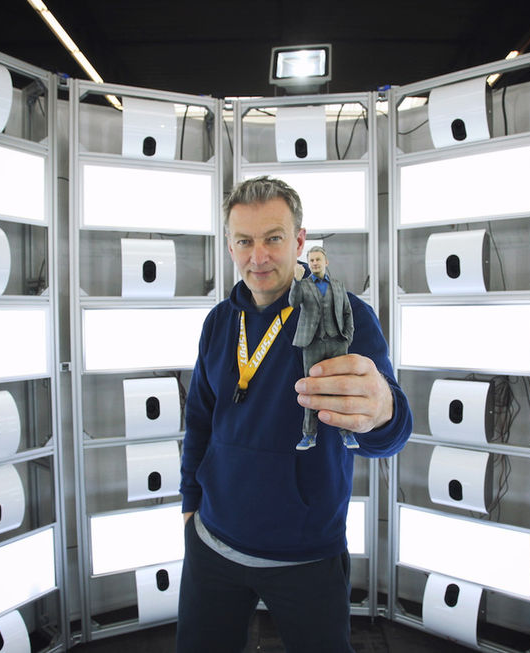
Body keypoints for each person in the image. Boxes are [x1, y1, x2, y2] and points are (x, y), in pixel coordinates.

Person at [177, 176, 412, 653]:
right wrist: (189, 505)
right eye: (245, 241)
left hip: (307, 554)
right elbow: (200, 419)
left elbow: (389, 430)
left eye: (273, 238)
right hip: (213, 544)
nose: (258, 256)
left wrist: (384, 411)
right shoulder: (219, 322)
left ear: (300, 241)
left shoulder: (344, 314)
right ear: (230, 245)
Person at [289, 246, 358, 450]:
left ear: (326, 262)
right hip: (313, 343)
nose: (315, 263)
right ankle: (309, 435)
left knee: (342, 388)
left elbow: (347, 312)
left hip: (337, 342)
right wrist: (296, 280)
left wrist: (347, 337)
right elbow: (293, 302)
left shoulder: (338, 285)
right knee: (311, 390)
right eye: (311, 260)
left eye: (318, 259)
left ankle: (347, 434)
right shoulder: (304, 284)